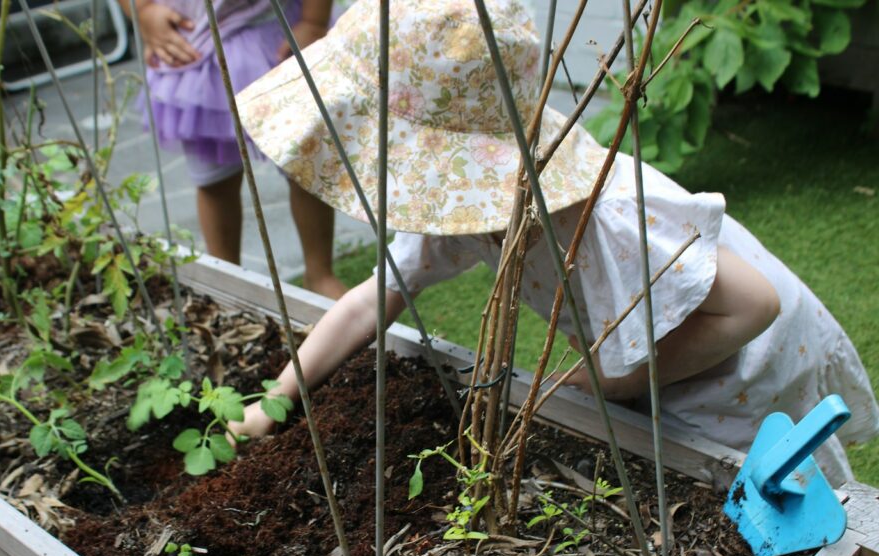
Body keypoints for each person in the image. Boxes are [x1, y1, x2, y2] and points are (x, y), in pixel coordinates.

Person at [231, 0, 879, 485]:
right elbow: (370, 300)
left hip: (737, 364)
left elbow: (754, 305)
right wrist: (275, 400)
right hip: (650, 356)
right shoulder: (469, 206)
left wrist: (619, 379)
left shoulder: (607, 218)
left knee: (772, 483)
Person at [122, 0, 348, 298]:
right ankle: (228, 284)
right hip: (196, 53)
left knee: (304, 165)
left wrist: (314, 22)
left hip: (278, 41)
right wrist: (144, 10)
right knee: (214, 180)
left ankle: (319, 273)